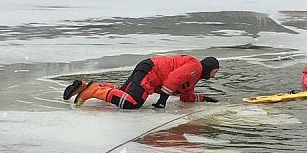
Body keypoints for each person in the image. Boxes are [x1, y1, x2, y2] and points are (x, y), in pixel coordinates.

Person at [63, 55, 220, 110]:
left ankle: (84, 86)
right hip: (151, 71)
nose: (215, 74)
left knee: (125, 93)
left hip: (149, 69)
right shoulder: (195, 66)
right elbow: (173, 79)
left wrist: (204, 98)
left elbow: (186, 95)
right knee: (133, 102)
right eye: (215, 71)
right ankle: (94, 90)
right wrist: (162, 101)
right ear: (210, 67)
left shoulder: (194, 76)